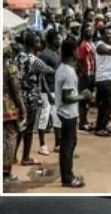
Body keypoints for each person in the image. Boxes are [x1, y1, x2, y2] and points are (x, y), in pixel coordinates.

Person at [55, 37, 91, 188]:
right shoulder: (68, 72)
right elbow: (67, 97)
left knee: (69, 144)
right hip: (67, 113)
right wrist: (83, 96)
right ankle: (67, 178)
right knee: (67, 146)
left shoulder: (62, 68)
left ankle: (68, 174)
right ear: (73, 52)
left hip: (66, 113)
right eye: (76, 49)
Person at [16, 31, 52, 168]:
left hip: (19, 96)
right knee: (29, 129)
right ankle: (26, 157)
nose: (39, 44)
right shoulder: (35, 60)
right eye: (37, 42)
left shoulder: (18, 56)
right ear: (32, 43)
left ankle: (13, 156)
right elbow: (49, 70)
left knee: (19, 128)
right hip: (31, 97)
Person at [2, 43, 26, 183]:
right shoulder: (11, 68)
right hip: (8, 107)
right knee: (11, 138)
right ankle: (6, 172)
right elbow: (16, 92)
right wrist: (23, 109)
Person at [37, 28, 62, 156]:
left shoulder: (56, 53)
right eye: (58, 39)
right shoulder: (44, 55)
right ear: (52, 40)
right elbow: (41, 76)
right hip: (46, 91)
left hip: (56, 89)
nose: (60, 41)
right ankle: (42, 144)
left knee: (57, 116)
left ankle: (58, 143)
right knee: (44, 116)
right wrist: (47, 92)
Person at [93, 26, 111, 137]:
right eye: (108, 34)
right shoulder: (100, 46)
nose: (110, 36)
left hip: (110, 78)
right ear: (102, 35)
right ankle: (100, 128)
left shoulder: (109, 45)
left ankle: (103, 125)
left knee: (108, 104)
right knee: (105, 104)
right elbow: (109, 52)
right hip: (104, 79)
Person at [76, 24, 96, 132]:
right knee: (83, 100)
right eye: (87, 31)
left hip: (91, 75)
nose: (90, 33)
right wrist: (84, 74)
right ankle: (82, 123)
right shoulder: (83, 45)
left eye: (91, 31)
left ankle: (86, 121)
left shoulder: (91, 44)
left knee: (87, 100)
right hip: (85, 76)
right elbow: (79, 61)